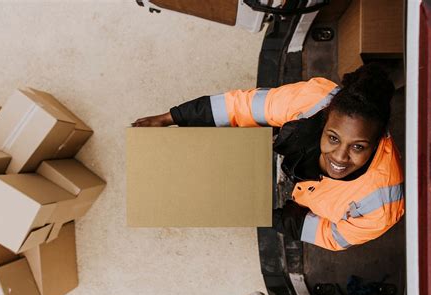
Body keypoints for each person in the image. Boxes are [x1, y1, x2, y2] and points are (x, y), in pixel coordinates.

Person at [132, 63, 404, 251]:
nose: (340, 156)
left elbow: (330, 235)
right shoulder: (314, 99)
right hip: (297, 149)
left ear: (380, 140)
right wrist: (170, 118)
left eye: (358, 147)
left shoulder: (380, 206)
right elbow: (241, 106)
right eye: (333, 138)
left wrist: (266, 215)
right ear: (326, 119)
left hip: (308, 201)